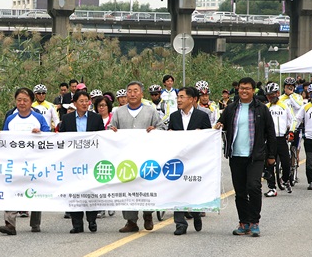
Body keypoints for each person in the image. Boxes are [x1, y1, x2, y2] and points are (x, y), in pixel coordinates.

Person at [215, 77, 277, 237]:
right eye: (241, 88)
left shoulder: (261, 109)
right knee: (240, 191)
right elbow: (221, 124)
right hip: (236, 155)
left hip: (255, 156)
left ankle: (255, 222)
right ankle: (244, 222)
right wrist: (218, 125)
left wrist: (271, 155)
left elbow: (270, 132)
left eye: (247, 88)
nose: (244, 91)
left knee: (254, 187)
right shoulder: (231, 108)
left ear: (253, 91)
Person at [109, 81, 165, 232]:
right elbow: (109, 129)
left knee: (146, 185)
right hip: (125, 158)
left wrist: (154, 129)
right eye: (129, 91)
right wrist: (112, 130)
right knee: (127, 188)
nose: (132, 94)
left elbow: (161, 128)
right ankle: (131, 221)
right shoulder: (118, 112)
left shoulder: (150, 111)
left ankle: (148, 214)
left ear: (141, 94)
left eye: (135, 91)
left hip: (146, 157)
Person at [0, 88, 50, 236]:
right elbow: (4, 139)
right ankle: (10, 223)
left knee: (35, 190)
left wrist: (40, 134)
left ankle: (35, 222)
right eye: (19, 100)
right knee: (12, 190)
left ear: (31, 102)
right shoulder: (10, 118)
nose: (22, 103)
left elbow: (49, 137)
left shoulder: (38, 118)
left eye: (25, 100)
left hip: (34, 161)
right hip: (15, 162)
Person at [58, 89, 105, 233]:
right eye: (81, 101)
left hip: (91, 161)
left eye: (86, 101)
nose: (84, 104)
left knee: (90, 191)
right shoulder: (67, 119)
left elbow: (102, 138)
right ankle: (77, 224)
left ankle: (92, 220)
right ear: (75, 103)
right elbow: (60, 140)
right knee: (74, 192)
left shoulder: (96, 118)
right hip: (73, 162)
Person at [168, 86, 211, 235]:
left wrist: (202, 134)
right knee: (177, 190)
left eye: (182, 97)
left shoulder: (202, 116)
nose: (178, 100)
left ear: (192, 99)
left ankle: (196, 213)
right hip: (178, 160)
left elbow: (209, 138)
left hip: (196, 161)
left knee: (194, 189)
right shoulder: (173, 117)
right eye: (178, 97)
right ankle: (180, 223)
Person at [263, 82, 292, 196]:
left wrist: (290, 131)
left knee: (286, 164)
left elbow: (292, 119)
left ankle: (285, 179)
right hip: (270, 139)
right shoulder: (266, 107)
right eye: (268, 95)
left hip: (281, 138)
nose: (270, 97)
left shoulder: (284, 105)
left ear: (278, 93)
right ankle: (272, 188)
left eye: (272, 94)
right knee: (269, 164)